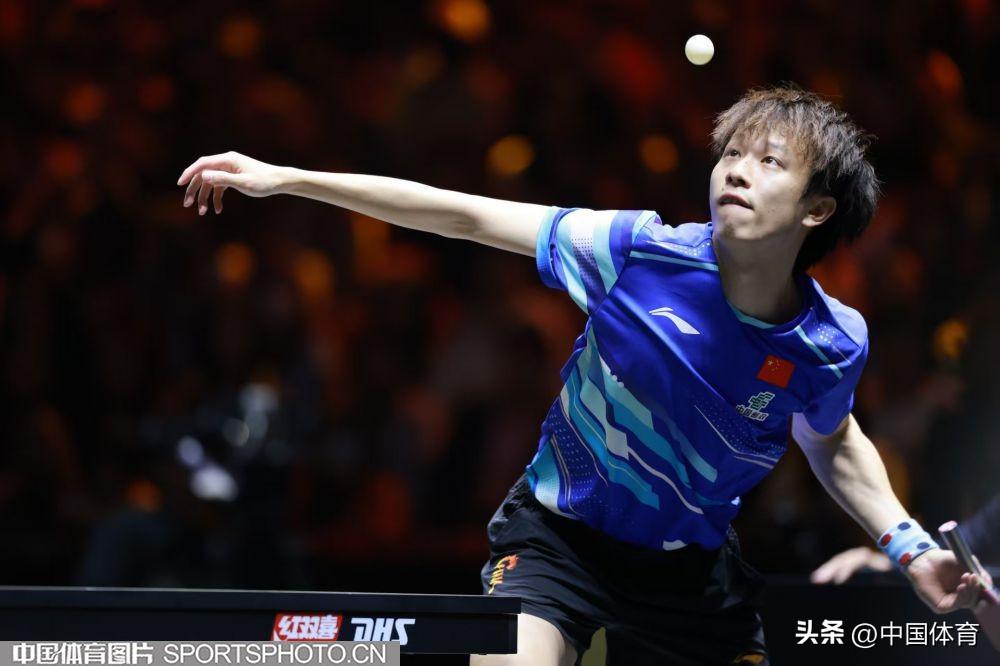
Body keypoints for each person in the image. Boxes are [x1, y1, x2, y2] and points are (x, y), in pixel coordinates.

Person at [177, 85, 986, 665]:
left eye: (770, 161)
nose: (736, 171)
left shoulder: (830, 342)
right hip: (558, 540)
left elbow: (832, 439)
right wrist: (288, 178)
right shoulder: (635, 252)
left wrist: (910, 547)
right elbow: (463, 213)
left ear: (818, 209)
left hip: (689, 576)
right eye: (731, 154)